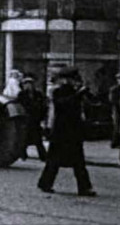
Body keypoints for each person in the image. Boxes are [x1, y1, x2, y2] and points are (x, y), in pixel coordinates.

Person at [37, 66, 96, 197]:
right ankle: (45, 183)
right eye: (71, 79)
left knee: (79, 162)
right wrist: (78, 94)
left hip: (74, 132)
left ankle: (84, 187)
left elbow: (90, 104)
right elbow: (63, 105)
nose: (73, 82)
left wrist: (84, 93)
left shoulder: (76, 92)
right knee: (53, 161)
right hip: (61, 132)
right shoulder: (58, 92)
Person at [17, 75, 47, 161]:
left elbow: (42, 105)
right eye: (26, 84)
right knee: (25, 139)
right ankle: (23, 154)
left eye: (30, 84)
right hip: (26, 120)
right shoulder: (22, 95)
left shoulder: (38, 94)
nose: (28, 86)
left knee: (38, 140)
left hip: (35, 119)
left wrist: (42, 116)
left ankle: (43, 156)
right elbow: (20, 106)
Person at [110, 72, 120, 150]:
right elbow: (112, 100)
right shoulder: (114, 89)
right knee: (117, 125)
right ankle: (115, 142)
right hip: (117, 109)